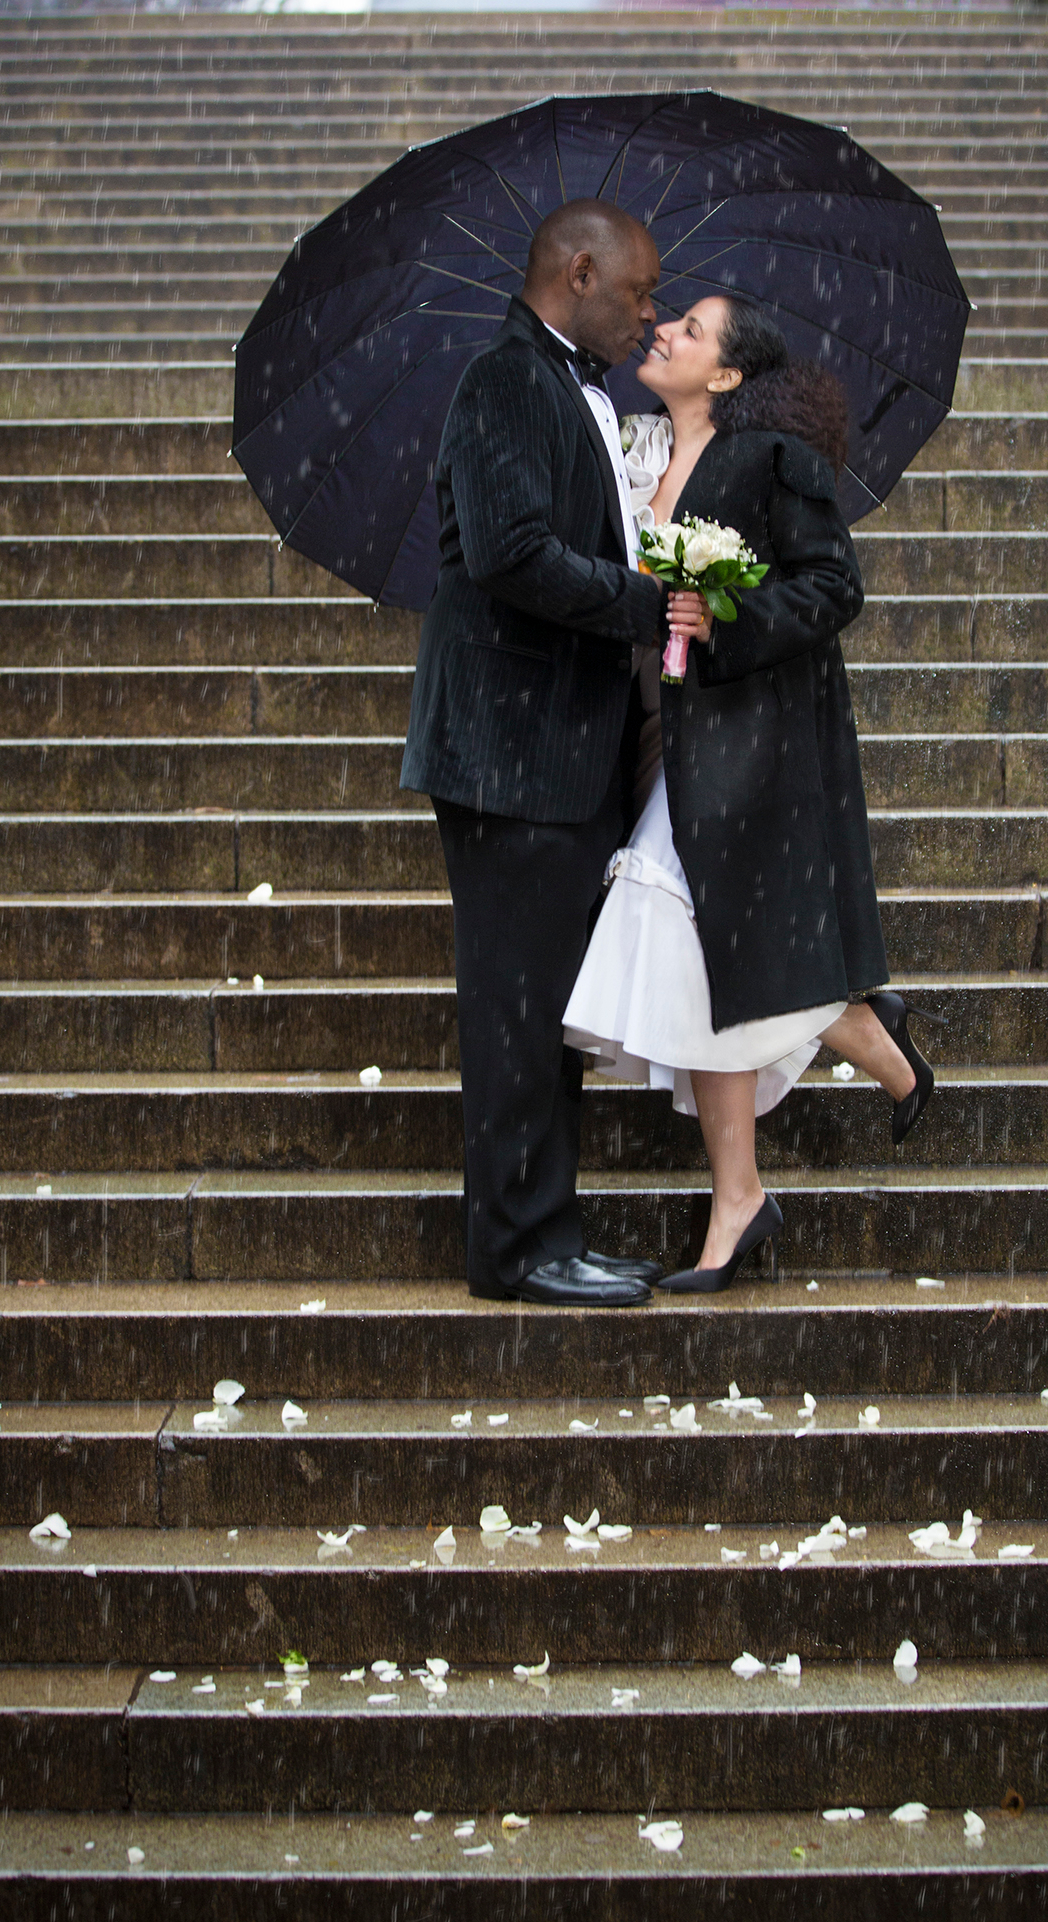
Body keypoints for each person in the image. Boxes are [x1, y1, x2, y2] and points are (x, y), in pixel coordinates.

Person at [563, 294, 935, 1292]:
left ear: (726, 375)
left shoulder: (770, 458)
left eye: (689, 330)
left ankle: (841, 1040)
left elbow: (832, 586)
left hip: (755, 753)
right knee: (694, 959)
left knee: (680, 926)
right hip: (671, 739)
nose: (665, 334)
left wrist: (725, 616)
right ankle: (820, 1075)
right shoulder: (639, 456)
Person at [399, 198, 671, 1307]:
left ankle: (547, 1228)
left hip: (559, 750)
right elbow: (512, 552)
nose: (649, 318)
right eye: (638, 294)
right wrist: (642, 599)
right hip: (510, 753)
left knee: (547, 1006)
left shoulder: (571, 389)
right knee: (515, 1007)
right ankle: (515, 1248)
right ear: (576, 272)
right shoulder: (506, 379)